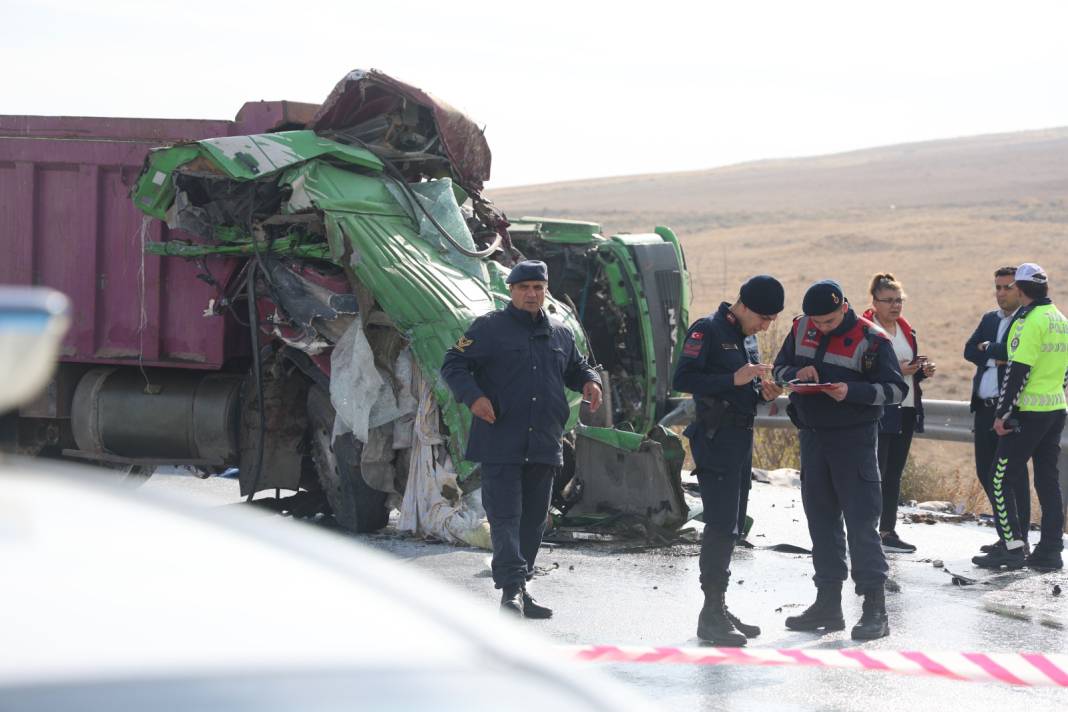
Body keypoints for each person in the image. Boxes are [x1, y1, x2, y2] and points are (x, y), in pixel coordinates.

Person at [440, 260, 603, 616]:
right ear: (511, 291)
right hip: (501, 438)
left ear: (545, 291)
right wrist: (474, 397)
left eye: (538, 287)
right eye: (524, 287)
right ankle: (510, 590)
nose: (531, 294)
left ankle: (522, 586)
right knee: (505, 516)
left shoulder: (560, 332)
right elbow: (453, 363)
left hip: (545, 441)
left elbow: (577, 367)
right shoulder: (488, 329)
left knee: (534, 519)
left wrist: (591, 380)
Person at [772, 280, 907, 640]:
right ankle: (828, 605)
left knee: (862, 524)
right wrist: (794, 375)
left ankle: (874, 610)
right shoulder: (801, 326)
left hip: (855, 441)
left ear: (845, 307)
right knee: (821, 522)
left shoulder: (873, 339)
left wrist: (852, 392)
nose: (822, 328)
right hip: (813, 438)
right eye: (817, 322)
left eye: (830, 321)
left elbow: (896, 390)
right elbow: (779, 368)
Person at [673, 275, 786, 647]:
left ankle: (719, 604)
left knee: (734, 526)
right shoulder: (707, 329)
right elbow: (684, 377)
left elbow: (744, 386)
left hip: (740, 439)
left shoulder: (746, 337)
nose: (766, 326)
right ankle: (710, 614)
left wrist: (762, 390)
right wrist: (732, 379)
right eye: (764, 317)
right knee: (720, 525)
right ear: (745, 305)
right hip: (715, 437)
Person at [972, 263, 1068, 571]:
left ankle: (1013, 547)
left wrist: (1003, 413)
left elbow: (1017, 370)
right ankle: (1051, 550)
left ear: (1021, 289)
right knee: (1047, 480)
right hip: (1055, 409)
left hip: (1027, 413)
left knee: (999, 478)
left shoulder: (1028, 321)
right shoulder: (1060, 319)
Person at [862, 273, 935, 554]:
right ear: (874, 302)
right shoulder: (867, 330)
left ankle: (887, 531)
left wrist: (921, 371)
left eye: (899, 300)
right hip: (880, 408)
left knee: (894, 473)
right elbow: (863, 369)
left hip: (905, 407)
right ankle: (865, 528)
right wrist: (897, 371)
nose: (895, 306)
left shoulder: (906, 330)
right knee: (874, 472)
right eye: (888, 301)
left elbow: (908, 370)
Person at [963, 266, 1029, 555]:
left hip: (1011, 410)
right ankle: (1007, 535)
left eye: (1007, 287)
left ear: (1020, 290)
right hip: (984, 408)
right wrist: (995, 357)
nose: (1001, 293)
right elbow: (969, 350)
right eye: (998, 287)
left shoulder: (1026, 321)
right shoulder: (990, 319)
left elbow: (1015, 358)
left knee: (1011, 476)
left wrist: (992, 353)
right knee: (986, 472)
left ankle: (1019, 539)